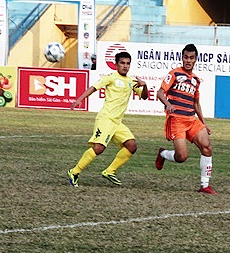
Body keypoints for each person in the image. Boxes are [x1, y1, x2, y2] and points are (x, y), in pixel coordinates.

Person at [68, 52, 148, 187]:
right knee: (99, 148)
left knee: (131, 146)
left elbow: (144, 97)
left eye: (128, 63)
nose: (125, 66)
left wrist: (144, 85)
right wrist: (80, 99)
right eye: (122, 63)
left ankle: (109, 171)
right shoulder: (110, 77)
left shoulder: (131, 81)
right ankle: (74, 172)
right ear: (116, 64)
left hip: (117, 122)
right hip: (106, 119)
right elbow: (93, 87)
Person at [155, 44, 216, 194]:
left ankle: (204, 186)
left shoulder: (196, 80)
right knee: (181, 157)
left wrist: (203, 123)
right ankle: (163, 154)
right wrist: (168, 104)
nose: (188, 60)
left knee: (207, 148)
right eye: (186, 57)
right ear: (182, 58)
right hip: (177, 120)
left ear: (196, 60)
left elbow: (196, 103)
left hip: (192, 120)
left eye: (191, 58)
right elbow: (160, 92)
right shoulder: (174, 74)